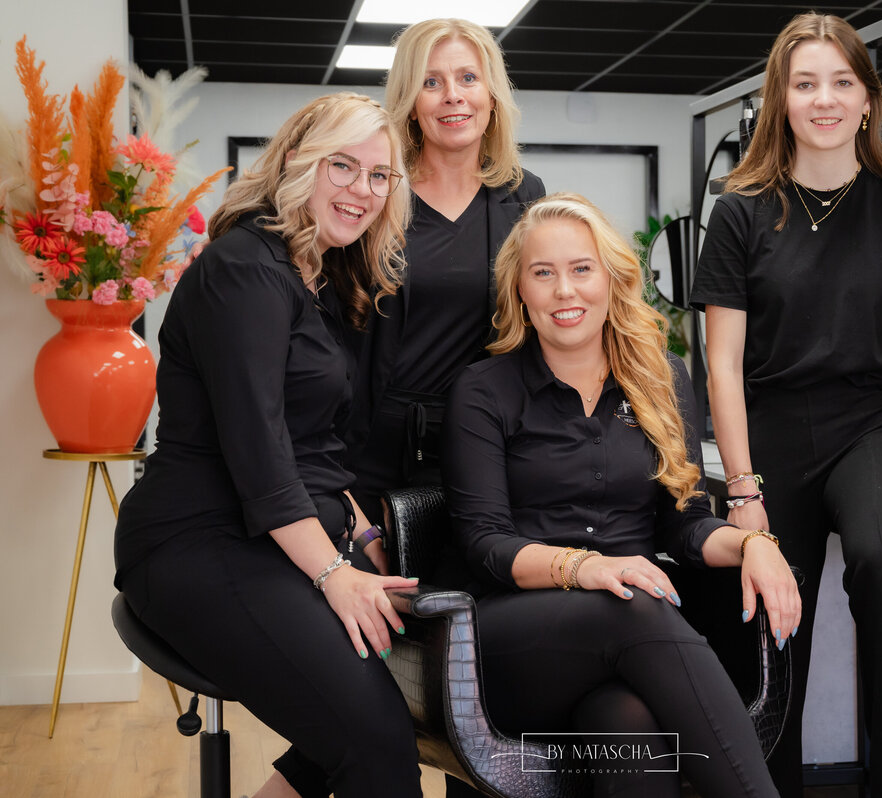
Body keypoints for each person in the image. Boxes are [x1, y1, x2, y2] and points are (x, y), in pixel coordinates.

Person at [690, 13, 882, 797]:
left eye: (841, 82)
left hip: (868, 430)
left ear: (868, 99)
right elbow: (721, 365)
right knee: (770, 616)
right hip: (773, 435)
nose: (824, 99)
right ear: (781, 99)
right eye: (805, 83)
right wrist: (743, 492)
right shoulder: (741, 211)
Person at [113, 93, 423, 798]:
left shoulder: (315, 276)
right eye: (343, 165)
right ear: (297, 162)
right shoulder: (245, 270)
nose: (362, 189)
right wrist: (334, 574)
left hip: (270, 538)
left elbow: (313, 446)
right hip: (200, 540)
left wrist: (364, 535)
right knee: (377, 740)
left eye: (380, 175)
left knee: (387, 701)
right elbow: (259, 452)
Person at [441, 193, 802, 798]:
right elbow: (484, 544)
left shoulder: (662, 378)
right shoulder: (484, 390)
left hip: (632, 645)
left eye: (582, 269)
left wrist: (753, 544)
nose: (565, 290)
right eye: (543, 273)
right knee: (630, 602)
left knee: (628, 725)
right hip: (514, 643)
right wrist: (585, 568)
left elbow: (684, 524)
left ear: (612, 277)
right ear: (520, 291)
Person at [347, 17, 545, 523]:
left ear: (492, 95)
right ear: (411, 103)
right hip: (376, 443)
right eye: (431, 82)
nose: (452, 95)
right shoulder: (378, 191)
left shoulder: (524, 194)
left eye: (468, 78)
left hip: (488, 440)